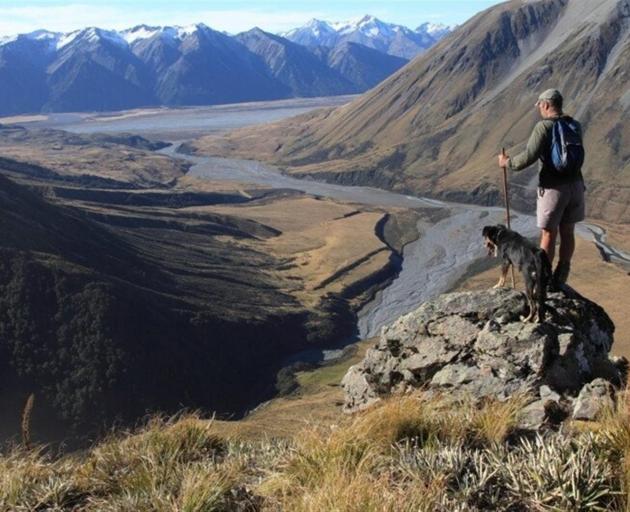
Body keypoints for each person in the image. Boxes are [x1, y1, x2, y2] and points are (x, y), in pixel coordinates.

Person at [498, 88, 585, 288]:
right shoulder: (574, 125)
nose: (539, 109)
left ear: (546, 105)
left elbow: (528, 157)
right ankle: (561, 276)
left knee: (548, 233)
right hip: (577, 186)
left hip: (554, 188)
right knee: (568, 231)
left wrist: (507, 163)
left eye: (539, 106)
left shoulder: (543, 127)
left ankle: (543, 279)